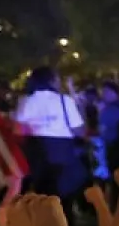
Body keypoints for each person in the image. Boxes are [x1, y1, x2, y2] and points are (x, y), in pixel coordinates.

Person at [15, 68, 86, 214]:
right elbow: (79, 130)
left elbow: (18, 130)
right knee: (63, 200)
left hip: (36, 152)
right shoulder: (64, 101)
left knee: (42, 197)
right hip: (61, 153)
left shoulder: (25, 101)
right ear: (52, 81)